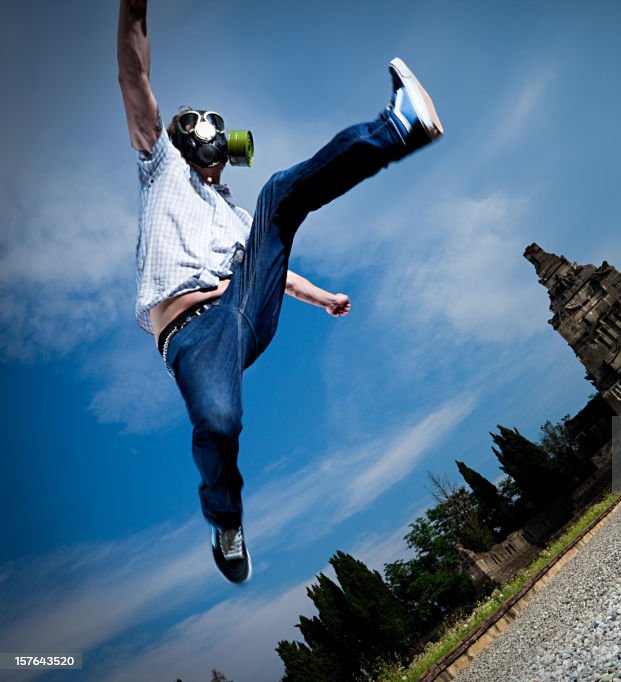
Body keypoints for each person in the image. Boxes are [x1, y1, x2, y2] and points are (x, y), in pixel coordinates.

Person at [117, 0, 443, 584]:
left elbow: (278, 271)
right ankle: (227, 523)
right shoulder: (160, 166)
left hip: (242, 308)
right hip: (192, 338)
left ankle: (397, 126)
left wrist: (322, 298)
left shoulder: (236, 212)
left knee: (278, 194)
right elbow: (134, 77)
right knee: (218, 421)